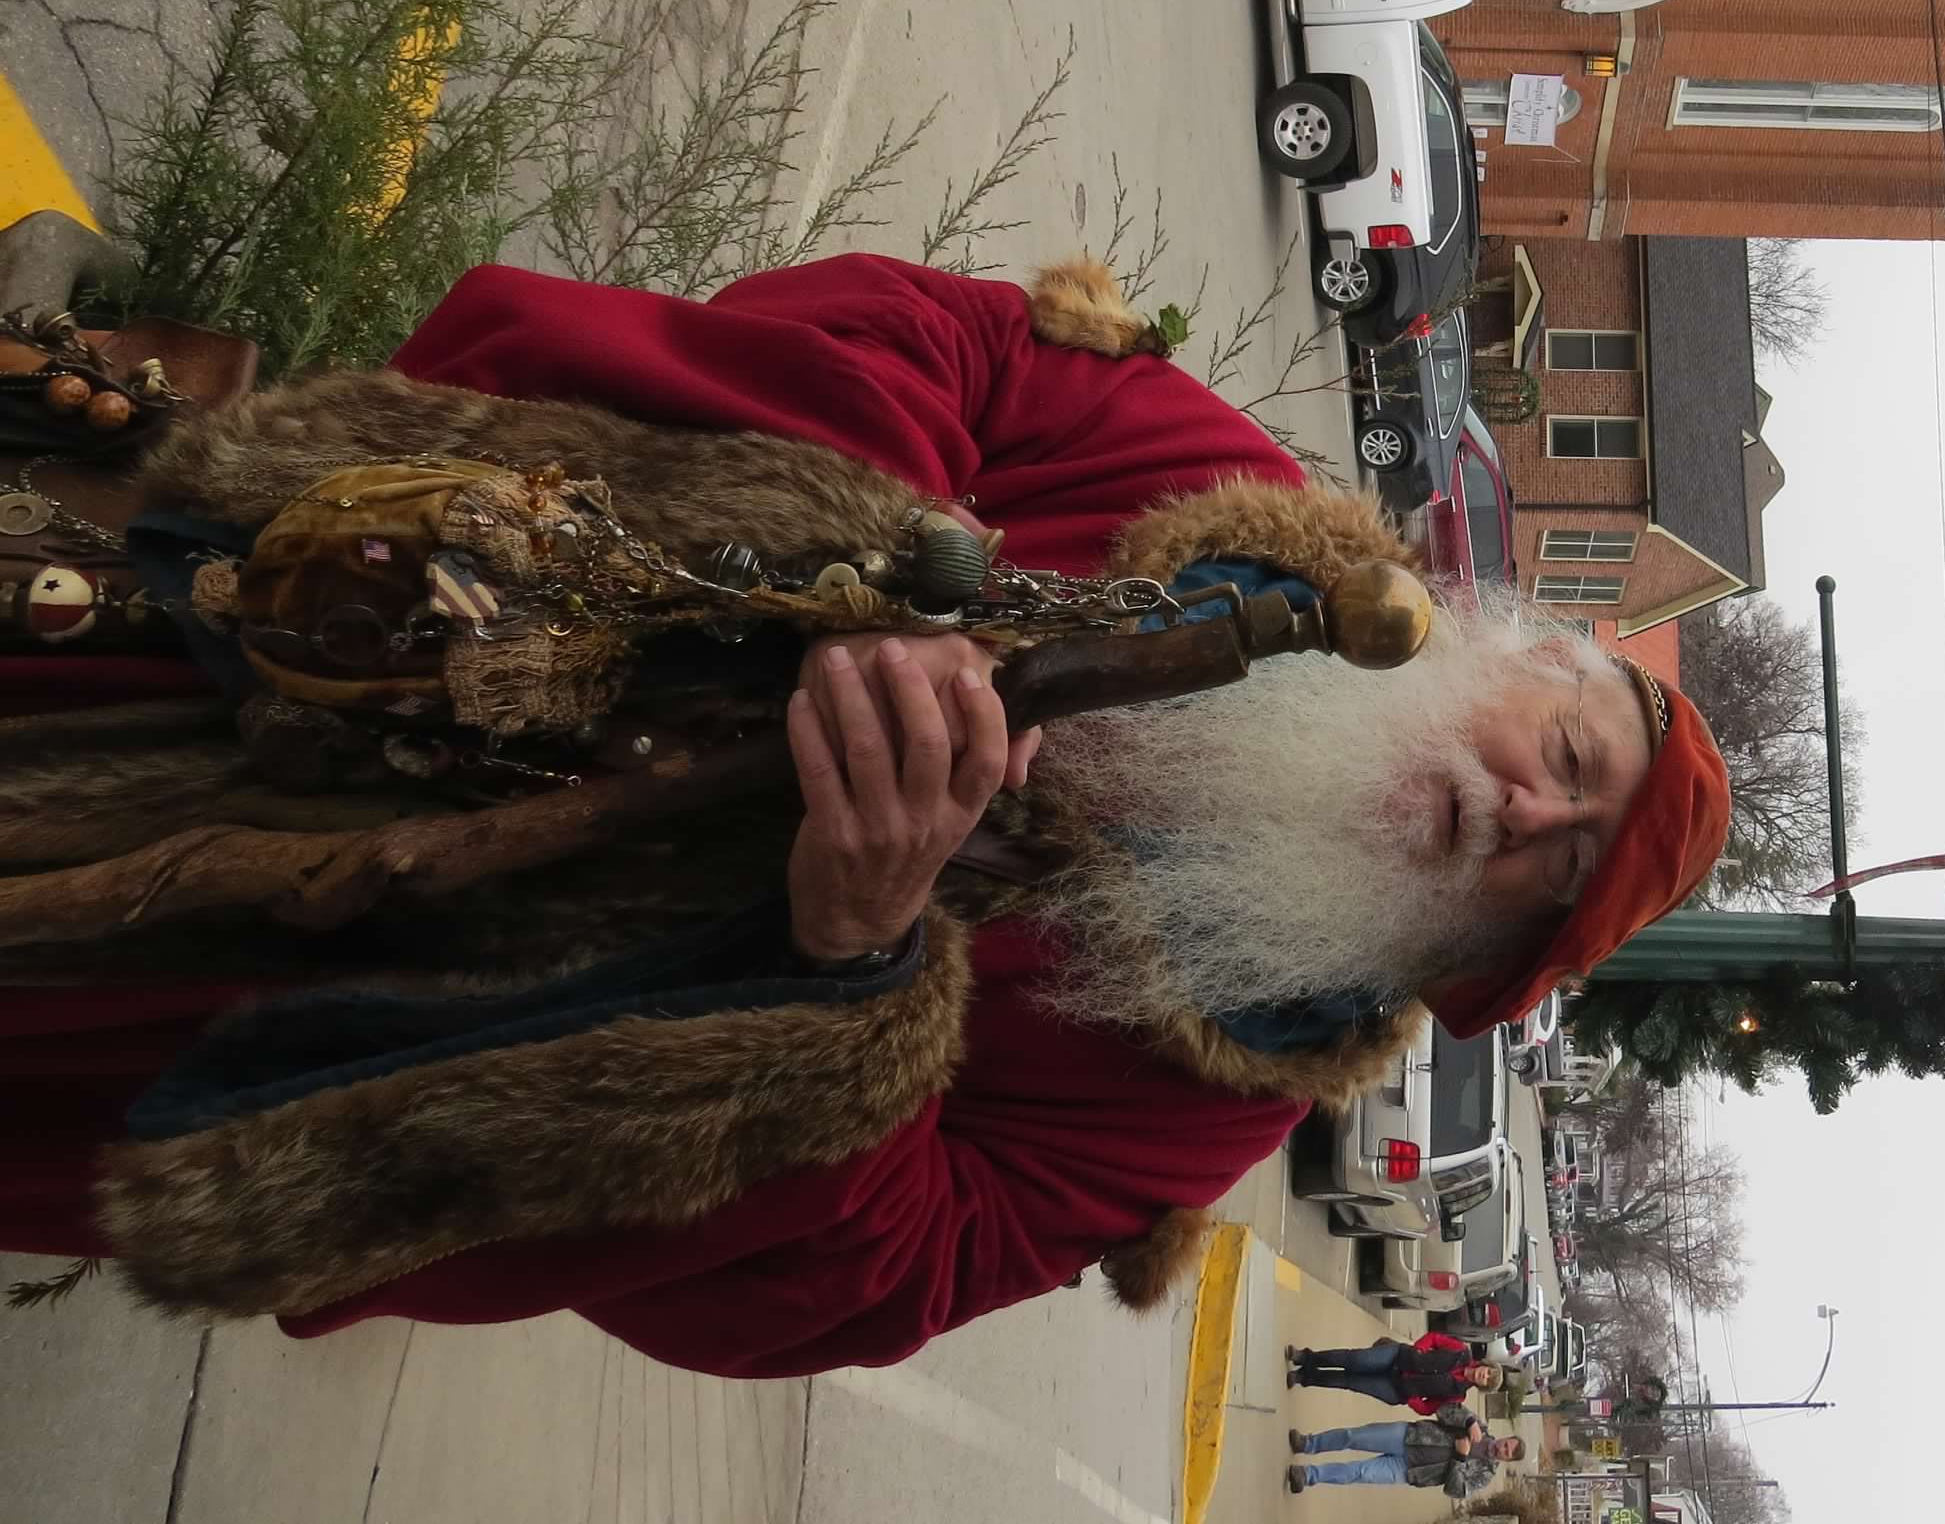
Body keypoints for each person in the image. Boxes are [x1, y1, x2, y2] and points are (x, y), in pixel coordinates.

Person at [0, 253, 1733, 1376]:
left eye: (1549, 868)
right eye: (1565, 759)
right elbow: (946, 341)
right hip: (308, 629)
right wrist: (877, 575)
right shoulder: (1226, 508)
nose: (1513, 809)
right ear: (1516, 649)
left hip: (291, 999)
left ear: (1485, 946)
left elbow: (874, 1280)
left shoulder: (1206, 1090)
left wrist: (853, 970)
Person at [1286, 1412, 1521, 1497]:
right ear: (1505, 1437)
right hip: (1408, 1436)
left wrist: (1460, 1458)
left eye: (1507, 1453)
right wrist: (1469, 1421)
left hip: (1408, 1472)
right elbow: (1445, 1410)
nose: (1502, 1449)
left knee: (1358, 1472)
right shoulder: (1479, 1426)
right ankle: (1307, 1443)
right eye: (1506, 1444)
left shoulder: (1485, 1474)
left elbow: (1454, 1490)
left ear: (1507, 1459)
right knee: (1353, 1436)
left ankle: (1307, 1475)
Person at [1286, 1331, 1498, 1411]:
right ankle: (1305, 1357)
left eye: (1487, 1381)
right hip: (1398, 1357)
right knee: (1353, 1359)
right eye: (1488, 1372)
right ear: (1485, 1365)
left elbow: (1429, 1408)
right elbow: (1434, 1338)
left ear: (1483, 1387)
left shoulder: (1457, 1396)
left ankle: (1305, 1377)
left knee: (1349, 1381)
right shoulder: (1462, 1352)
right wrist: (1419, 1350)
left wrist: (1412, 1397)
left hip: (1396, 1390)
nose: (1484, 1376)